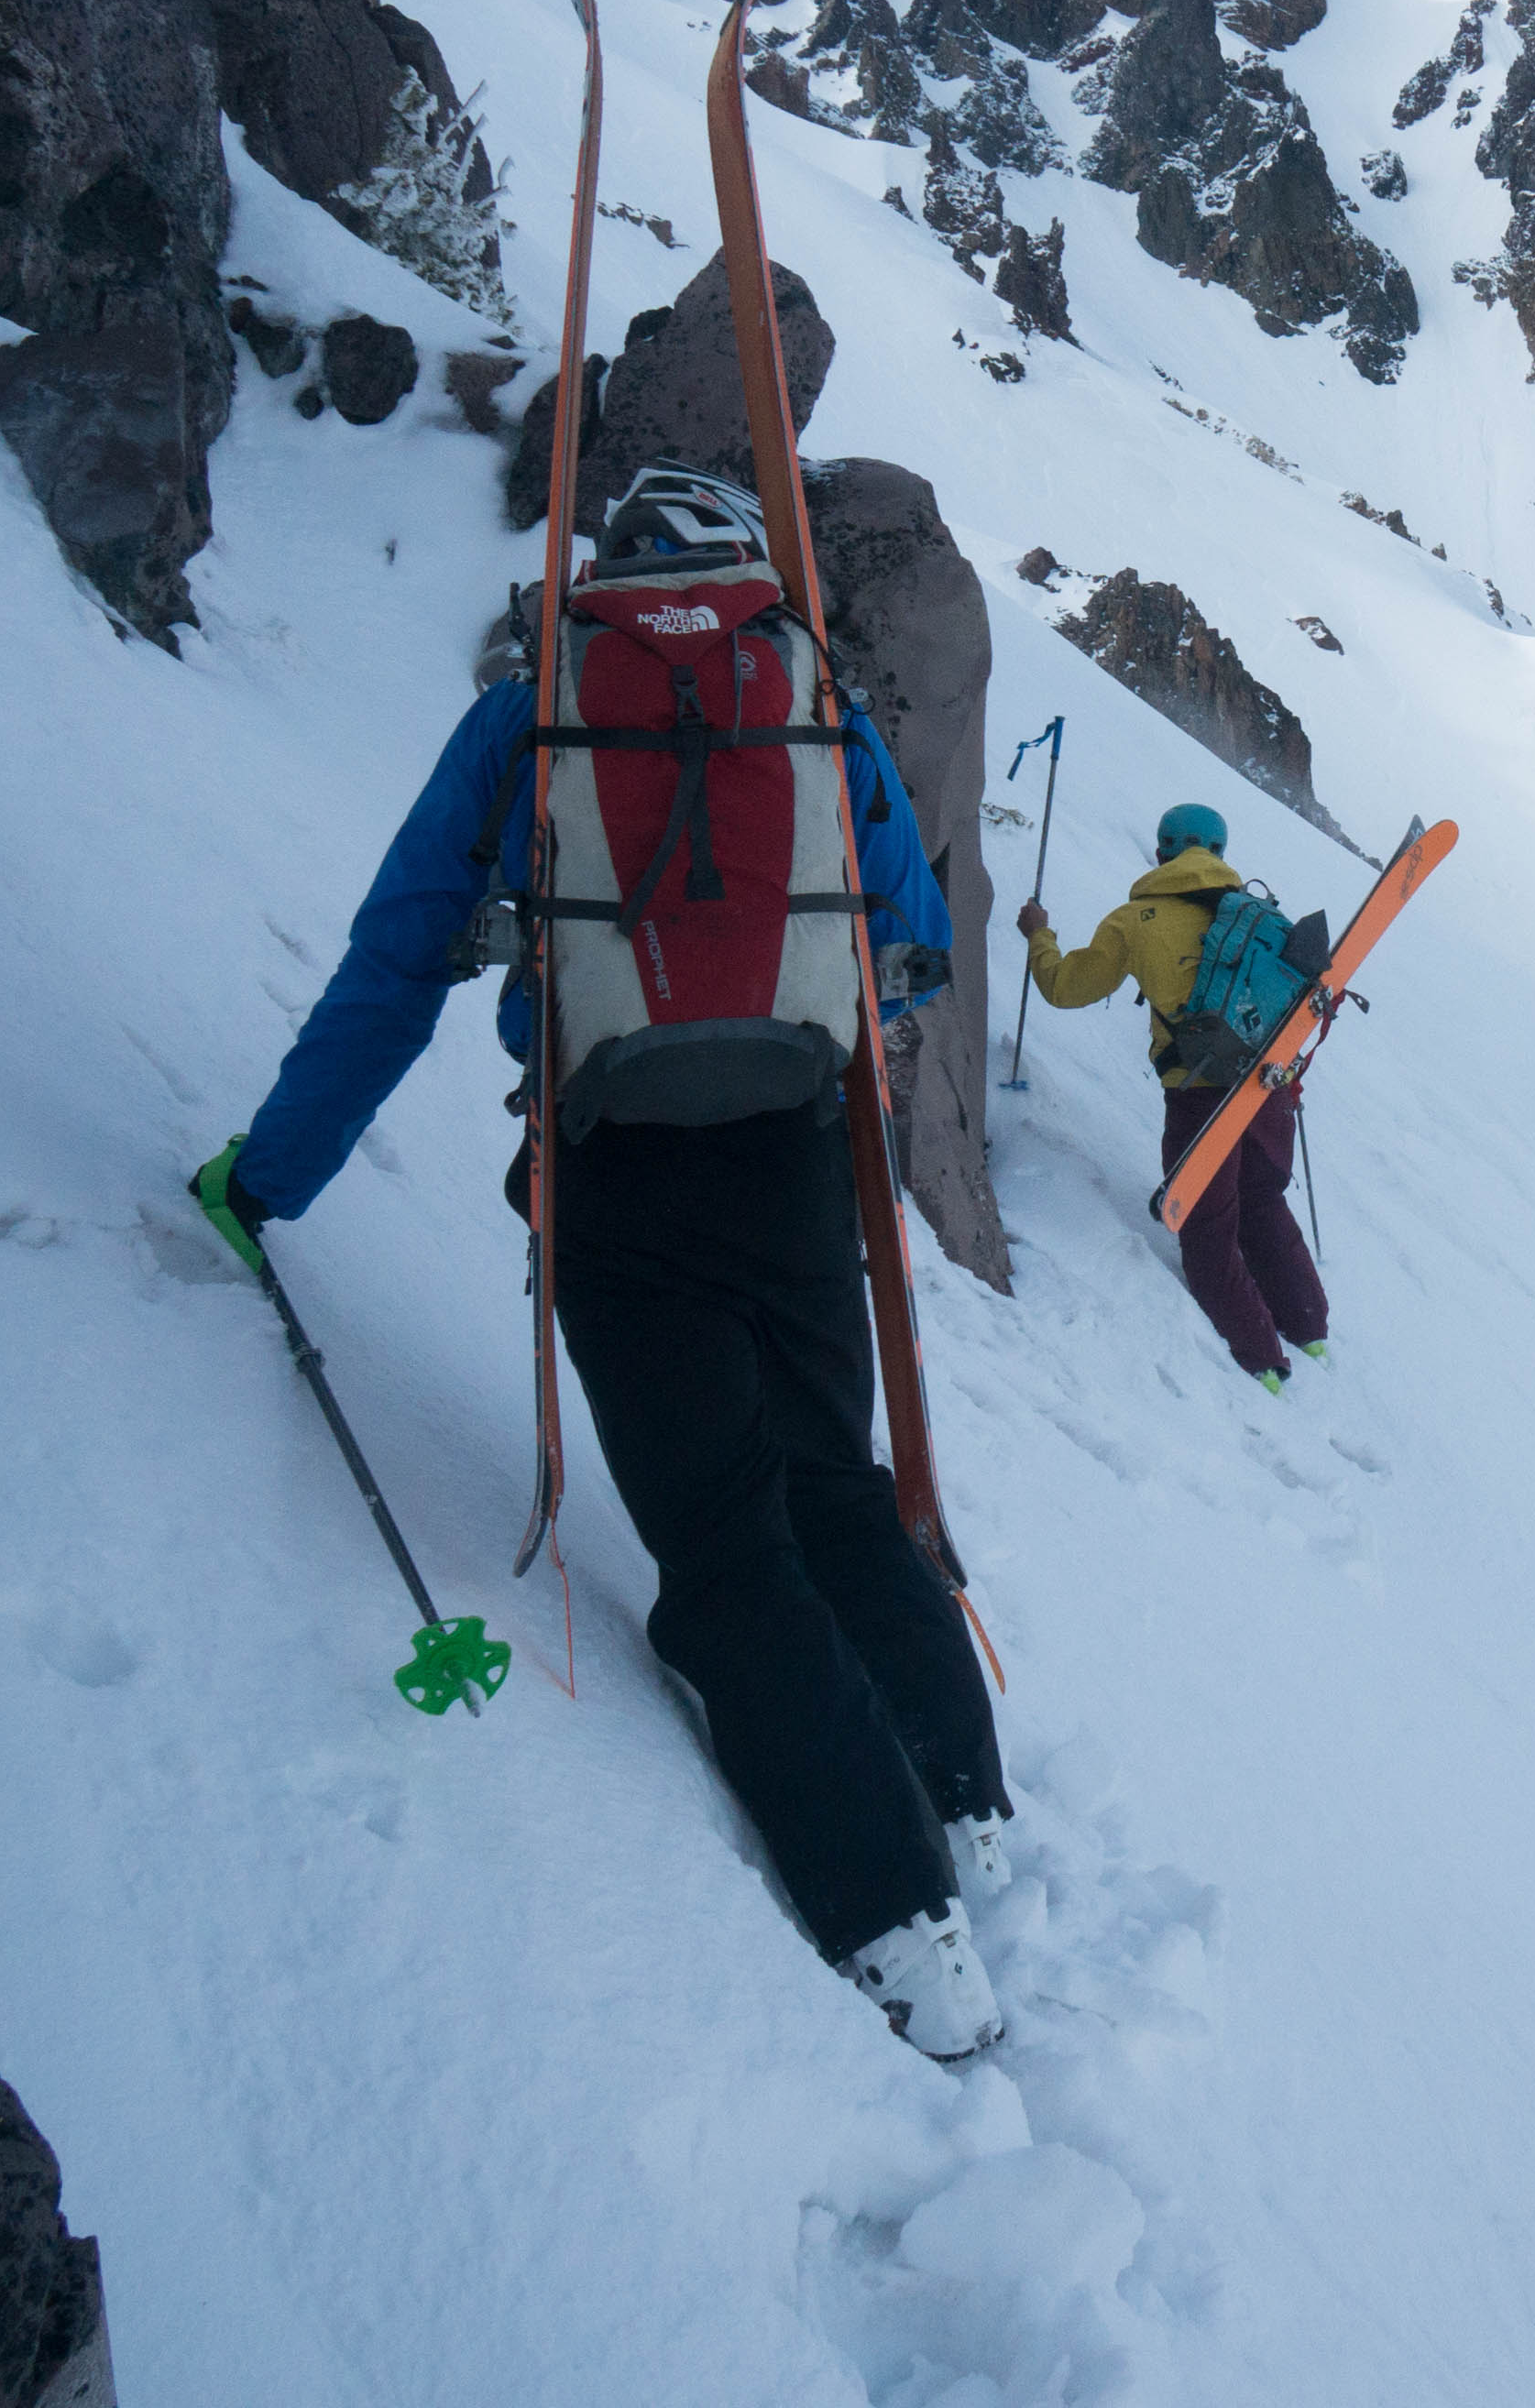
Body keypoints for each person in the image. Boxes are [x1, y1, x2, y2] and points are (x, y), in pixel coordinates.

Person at [188, 466, 1013, 2060]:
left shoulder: (534, 714)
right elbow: (907, 939)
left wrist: (266, 1177)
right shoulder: (812, 709)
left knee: (722, 1541)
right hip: (788, 1148)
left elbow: (394, 963)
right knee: (835, 1482)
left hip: (611, 1164)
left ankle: (897, 1917)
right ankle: (966, 1809)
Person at [1016, 802, 1332, 1393]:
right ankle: (1309, 1328)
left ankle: (1261, 1360)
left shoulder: (1135, 919)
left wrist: (1040, 937)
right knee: (1262, 1201)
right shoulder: (1262, 915)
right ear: (1219, 852)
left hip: (1199, 1092)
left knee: (1208, 1221)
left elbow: (1064, 988)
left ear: (1162, 851)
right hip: (1268, 1090)